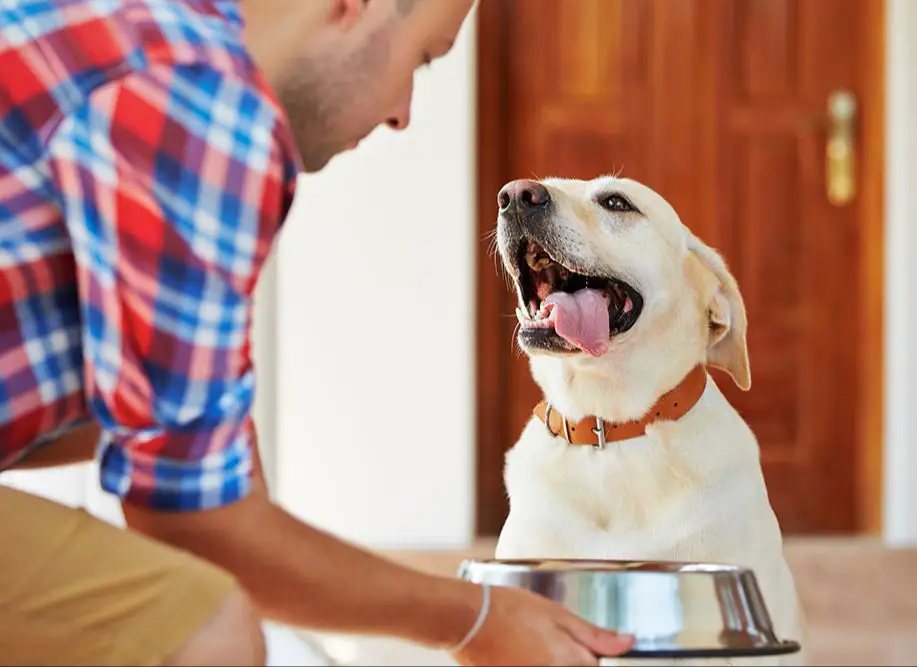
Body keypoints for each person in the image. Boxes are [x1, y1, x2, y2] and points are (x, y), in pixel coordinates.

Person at [0, 0, 637, 665]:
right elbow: (194, 524)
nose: (402, 111)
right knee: (203, 626)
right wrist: (474, 618)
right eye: (420, 58)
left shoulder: (139, 27)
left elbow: (176, 437)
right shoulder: (203, 102)